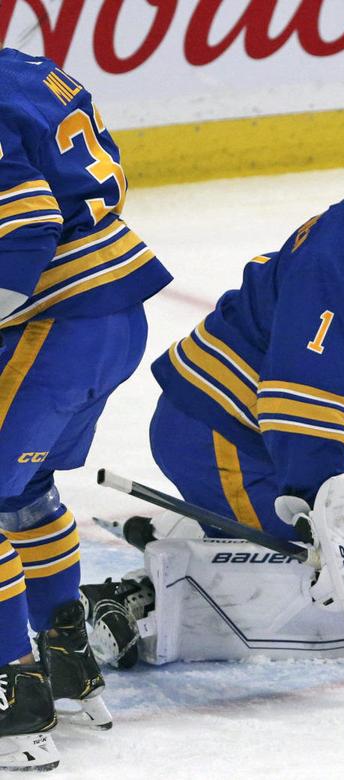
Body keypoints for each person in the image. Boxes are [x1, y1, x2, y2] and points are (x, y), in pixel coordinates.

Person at [83, 111, 344, 668]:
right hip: (221, 427)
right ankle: (135, 598)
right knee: (293, 559)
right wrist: (321, 514)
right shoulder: (341, 263)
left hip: (276, 428)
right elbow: (307, 394)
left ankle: (169, 526)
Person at [0, 48, 173, 770]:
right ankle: (70, 670)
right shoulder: (32, 70)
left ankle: (14, 704)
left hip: (57, 325)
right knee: (25, 499)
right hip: (111, 316)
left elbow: (29, 223)